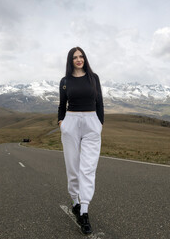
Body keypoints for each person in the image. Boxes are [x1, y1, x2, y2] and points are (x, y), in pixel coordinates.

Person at [58, 47, 104, 235]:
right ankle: (75, 202)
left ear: (85, 58)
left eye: (81, 56)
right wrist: (61, 123)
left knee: (88, 168)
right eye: (75, 57)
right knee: (73, 167)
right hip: (71, 123)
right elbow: (62, 105)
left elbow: (100, 103)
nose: (79, 59)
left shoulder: (94, 78)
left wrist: (99, 124)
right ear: (70, 61)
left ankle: (84, 210)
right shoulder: (65, 81)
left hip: (92, 124)